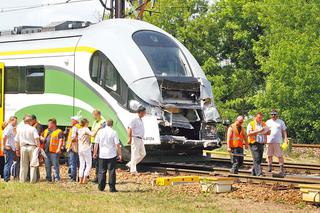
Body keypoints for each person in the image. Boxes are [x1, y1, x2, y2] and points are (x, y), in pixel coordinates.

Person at [94, 119, 122, 192]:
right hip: (111, 154)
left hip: (102, 154)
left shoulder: (100, 132)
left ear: (106, 124)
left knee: (102, 171)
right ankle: (112, 188)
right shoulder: (114, 132)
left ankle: (101, 187)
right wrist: (120, 154)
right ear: (112, 125)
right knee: (111, 171)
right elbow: (117, 145)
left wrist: (94, 153)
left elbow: (96, 144)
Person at [14, 115, 40, 183]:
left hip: (23, 147)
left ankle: (22, 180)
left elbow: (16, 140)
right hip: (32, 147)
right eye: (31, 120)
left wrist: (17, 150)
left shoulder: (20, 129)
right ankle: (33, 180)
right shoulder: (33, 129)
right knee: (33, 164)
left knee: (23, 165)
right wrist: (38, 147)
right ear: (29, 121)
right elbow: (36, 139)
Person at [78, 118, 100, 184]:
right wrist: (98, 129)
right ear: (86, 123)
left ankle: (80, 179)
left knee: (82, 164)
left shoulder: (79, 130)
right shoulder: (86, 129)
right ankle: (85, 179)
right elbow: (92, 134)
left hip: (80, 148)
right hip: (86, 148)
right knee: (88, 164)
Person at [266, 109, 288, 175]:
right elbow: (265, 131)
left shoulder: (281, 122)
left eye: (274, 114)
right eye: (272, 114)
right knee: (269, 155)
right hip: (269, 141)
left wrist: (286, 139)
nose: (273, 115)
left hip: (278, 141)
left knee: (279, 155)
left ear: (277, 115)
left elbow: (284, 131)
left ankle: (281, 168)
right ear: (270, 115)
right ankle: (269, 167)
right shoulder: (268, 122)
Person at [126, 106, 146, 175]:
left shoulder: (140, 120)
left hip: (140, 139)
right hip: (135, 138)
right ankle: (133, 170)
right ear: (140, 112)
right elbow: (129, 128)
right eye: (143, 112)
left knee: (143, 153)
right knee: (135, 155)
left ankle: (130, 164)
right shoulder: (134, 119)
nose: (144, 114)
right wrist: (129, 138)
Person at [247, 112, 269, 176]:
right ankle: (259, 174)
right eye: (259, 117)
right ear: (255, 117)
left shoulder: (263, 124)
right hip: (254, 143)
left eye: (261, 117)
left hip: (261, 143)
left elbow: (268, 133)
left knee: (259, 159)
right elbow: (248, 133)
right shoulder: (251, 124)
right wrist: (258, 131)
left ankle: (253, 173)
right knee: (256, 158)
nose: (260, 119)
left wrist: (267, 131)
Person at [90, 109, 106, 183]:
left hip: (99, 143)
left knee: (99, 160)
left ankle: (99, 177)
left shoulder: (103, 122)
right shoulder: (95, 122)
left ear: (98, 115)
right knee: (95, 161)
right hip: (94, 142)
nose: (94, 117)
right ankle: (97, 176)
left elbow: (103, 131)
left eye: (95, 116)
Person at [2, 116, 18, 182]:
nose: (16, 122)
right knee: (8, 164)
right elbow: (4, 137)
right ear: (11, 120)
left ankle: (7, 177)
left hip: (11, 148)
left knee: (9, 163)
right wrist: (4, 146)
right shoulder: (9, 128)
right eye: (15, 121)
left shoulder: (11, 127)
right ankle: (6, 178)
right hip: (8, 148)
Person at [66, 116, 81, 182]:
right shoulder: (80, 127)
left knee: (72, 163)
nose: (71, 121)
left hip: (73, 147)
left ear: (75, 121)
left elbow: (73, 138)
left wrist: (70, 146)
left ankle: (72, 177)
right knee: (79, 163)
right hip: (79, 148)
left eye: (72, 120)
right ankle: (80, 177)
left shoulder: (75, 128)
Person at [31, 114, 43, 181]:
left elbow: (37, 134)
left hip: (37, 145)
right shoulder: (33, 126)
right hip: (34, 145)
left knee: (36, 161)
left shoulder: (38, 125)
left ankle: (37, 177)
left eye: (31, 120)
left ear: (34, 120)